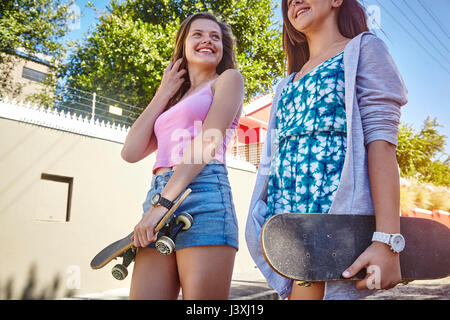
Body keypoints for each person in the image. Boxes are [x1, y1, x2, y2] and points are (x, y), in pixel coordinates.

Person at [245, 0, 408, 300]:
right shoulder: (285, 84)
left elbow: (382, 145)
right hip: (287, 235)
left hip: (332, 227)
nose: (293, 1)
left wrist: (387, 242)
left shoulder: (362, 50)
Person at [121, 12, 244, 300]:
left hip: (203, 195)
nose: (207, 40)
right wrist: (163, 92)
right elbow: (130, 151)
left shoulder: (228, 80)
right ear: (183, 44)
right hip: (158, 196)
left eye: (215, 37)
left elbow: (208, 141)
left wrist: (164, 204)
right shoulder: (173, 101)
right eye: (198, 34)